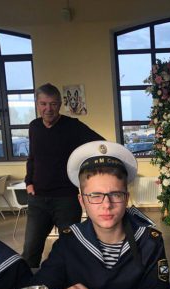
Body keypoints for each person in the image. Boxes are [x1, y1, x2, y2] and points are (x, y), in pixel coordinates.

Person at [29, 141, 169, 289]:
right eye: (95, 196)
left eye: (115, 194)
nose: (106, 205)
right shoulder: (68, 243)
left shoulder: (149, 242)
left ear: (126, 198)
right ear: (82, 201)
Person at [22, 83, 104, 268]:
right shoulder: (34, 126)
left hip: (66, 199)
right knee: (30, 250)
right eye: (43, 104)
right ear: (37, 104)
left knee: (70, 248)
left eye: (53, 104)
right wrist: (29, 182)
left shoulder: (73, 126)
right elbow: (32, 157)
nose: (48, 109)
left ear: (59, 104)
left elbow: (99, 145)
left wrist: (86, 176)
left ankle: (70, 282)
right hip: (38, 199)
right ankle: (27, 284)